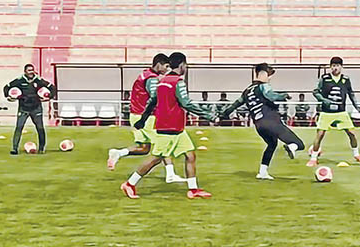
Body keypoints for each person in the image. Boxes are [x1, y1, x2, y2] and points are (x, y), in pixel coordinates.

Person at [123, 52, 215, 199]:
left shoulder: (161, 81)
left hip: (175, 128)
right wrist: (208, 115)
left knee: (190, 154)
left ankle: (193, 189)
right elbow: (186, 103)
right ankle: (130, 183)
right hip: (169, 128)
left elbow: (152, 101)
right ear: (182, 65)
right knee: (155, 158)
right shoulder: (178, 82)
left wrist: (143, 119)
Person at [219, 63, 307, 180]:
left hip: (259, 126)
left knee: (272, 144)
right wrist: (284, 95)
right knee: (300, 145)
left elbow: (236, 104)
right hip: (271, 122)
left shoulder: (247, 91)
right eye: (269, 74)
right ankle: (291, 147)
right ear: (263, 73)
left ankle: (262, 172)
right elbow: (270, 95)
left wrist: (223, 115)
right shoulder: (263, 86)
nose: (270, 78)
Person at [107, 54, 184, 183]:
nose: (167, 70)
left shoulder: (144, 74)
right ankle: (170, 174)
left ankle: (118, 153)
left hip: (135, 114)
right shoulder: (152, 79)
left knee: (144, 148)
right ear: (158, 64)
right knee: (163, 144)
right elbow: (155, 96)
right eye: (166, 67)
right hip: (146, 117)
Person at [307, 57, 360, 167]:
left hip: (341, 112)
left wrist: (356, 105)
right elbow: (315, 92)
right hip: (326, 112)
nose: (335, 68)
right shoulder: (324, 78)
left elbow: (351, 93)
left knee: (352, 133)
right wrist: (324, 101)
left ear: (341, 67)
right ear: (330, 67)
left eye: (338, 65)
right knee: (320, 134)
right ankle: (314, 158)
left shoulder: (345, 79)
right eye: (333, 65)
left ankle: (357, 154)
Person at [3, 63, 56, 155]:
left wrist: (49, 97)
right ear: (25, 71)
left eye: (32, 70)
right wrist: (9, 96)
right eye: (29, 70)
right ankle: (14, 149)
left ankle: (41, 148)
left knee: (40, 128)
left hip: (36, 108)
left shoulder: (39, 81)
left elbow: (52, 88)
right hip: (23, 108)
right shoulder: (19, 81)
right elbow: (6, 87)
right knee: (19, 127)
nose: (31, 72)